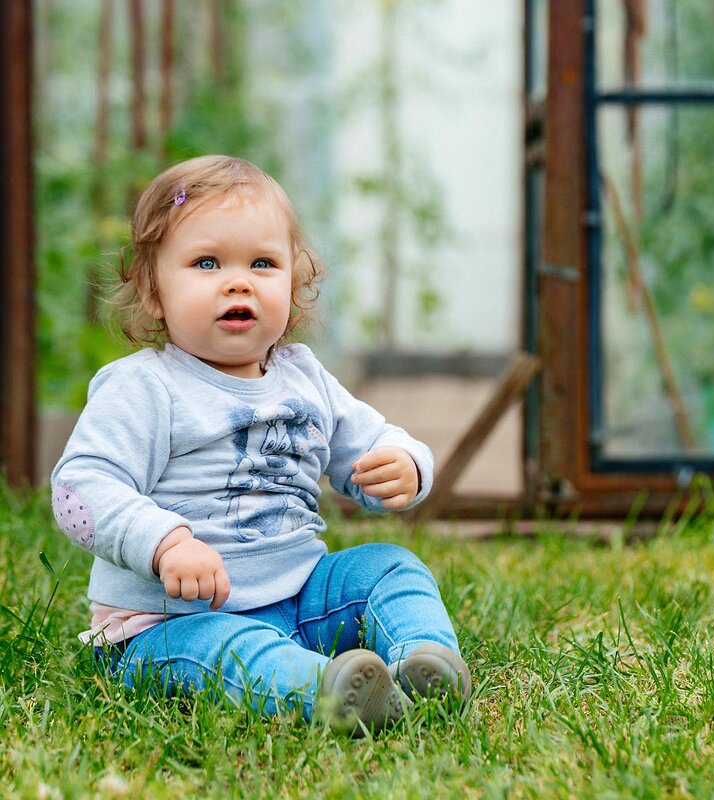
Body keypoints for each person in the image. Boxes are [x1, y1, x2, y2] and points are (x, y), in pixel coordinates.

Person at [51, 154, 470, 735]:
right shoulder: (146, 387)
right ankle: (324, 690)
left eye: (263, 263)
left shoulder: (303, 376)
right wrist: (165, 544)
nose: (238, 280)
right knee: (234, 650)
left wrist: (405, 465)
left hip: (301, 599)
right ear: (152, 290)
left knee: (388, 567)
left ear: (293, 285)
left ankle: (424, 663)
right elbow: (81, 487)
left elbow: (370, 439)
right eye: (206, 262)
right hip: (171, 623)